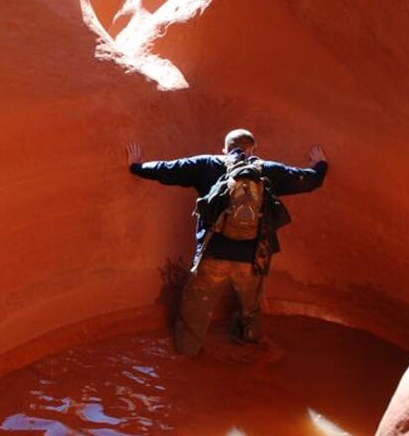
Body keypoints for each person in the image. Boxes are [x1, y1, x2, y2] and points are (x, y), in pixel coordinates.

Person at [126, 129, 328, 356]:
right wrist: (320, 165)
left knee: (195, 308)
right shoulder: (266, 170)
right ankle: (248, 344)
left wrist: (137, 166)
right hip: (252, 258)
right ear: (254, 150)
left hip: (213, 255)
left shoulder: (207, 164)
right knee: (250, 307)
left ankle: (186, 353)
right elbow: (309, 181)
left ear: (224, 148)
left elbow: (168, 170)